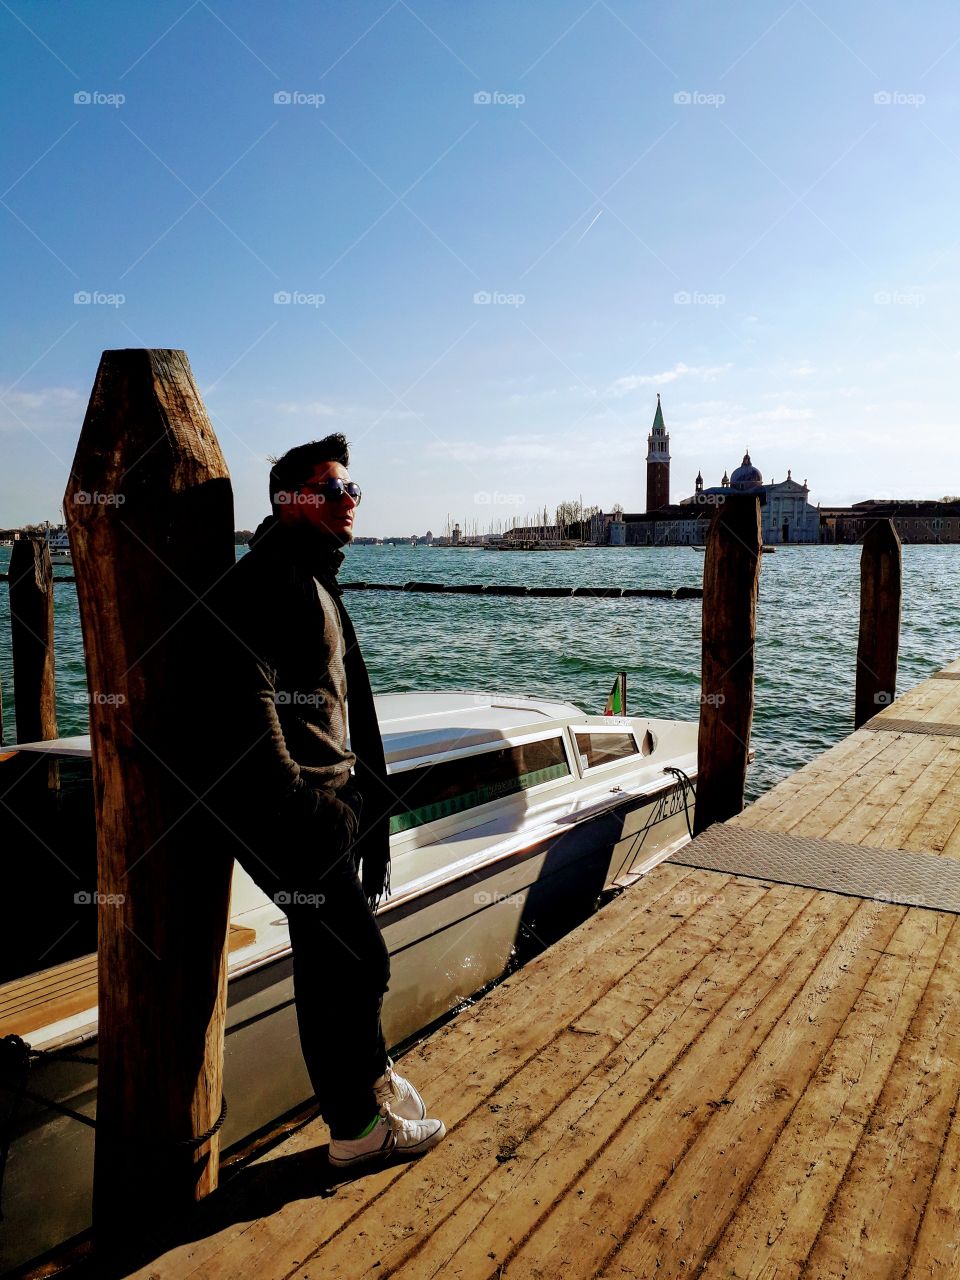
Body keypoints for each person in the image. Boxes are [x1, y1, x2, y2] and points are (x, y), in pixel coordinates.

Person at [205, 434, 444, 1166]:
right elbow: (242, 700)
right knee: (357, 963)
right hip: (301, 815)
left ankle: (361, 1103)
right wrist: (310, 811)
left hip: (325, 808)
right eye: (332, 488)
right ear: (290, 500)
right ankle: (356, 1127)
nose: (349, 501)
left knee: (330, 963)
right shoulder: (270, 578)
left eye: (353, 489)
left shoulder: (307, 576)